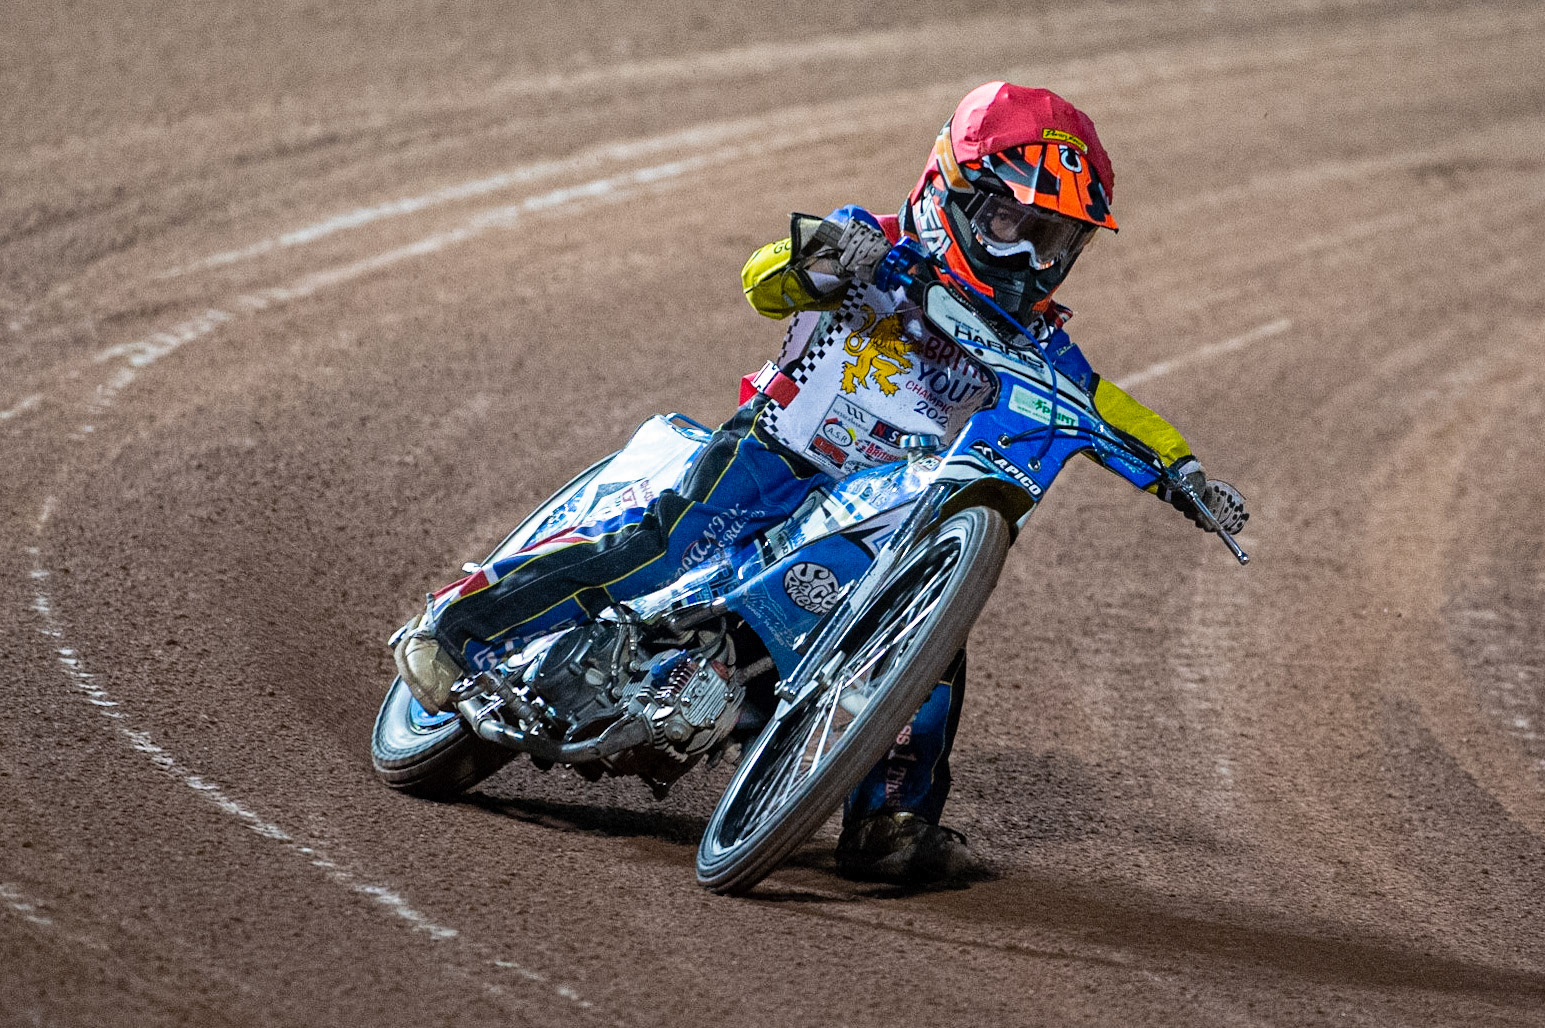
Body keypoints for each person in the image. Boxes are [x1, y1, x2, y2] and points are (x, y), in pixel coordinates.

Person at [395, 81, 1248, 885]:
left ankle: (889, 825)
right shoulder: (872, 240)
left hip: (887, 512)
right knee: (665, 543)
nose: (1027, 255)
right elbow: (763, 279)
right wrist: (827, 260)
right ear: (949, 192)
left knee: (931, 641)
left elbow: (1108, 409)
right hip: (777, 456)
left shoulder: (1043, 347)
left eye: (1053, 239)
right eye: (1006, 222)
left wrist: (1184, 473)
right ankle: (460, 627)